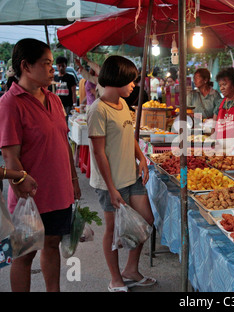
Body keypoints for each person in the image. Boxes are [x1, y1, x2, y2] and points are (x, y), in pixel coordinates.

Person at [0, 38, 81, 292]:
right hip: (30, 195)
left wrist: (74, 179)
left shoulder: (54, 99)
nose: (51, 69)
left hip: (59, 192)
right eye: (45, 63)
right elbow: (10, 155)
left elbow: (63, 141)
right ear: (26, 66)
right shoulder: (10, 103)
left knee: (52, 243)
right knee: (24, 255)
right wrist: (20, 182)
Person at [87, 55, 155, 292]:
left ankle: (131, 270)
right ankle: (115, 278)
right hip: (110, 183)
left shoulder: (124, 104)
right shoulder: (98, 110)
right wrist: (111, 188)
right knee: (113, 230)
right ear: (117, 80)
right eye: (130, 81)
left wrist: (141, 158)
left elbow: (129, 136)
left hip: (131, 175)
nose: (134, 85)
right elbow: (98, 153)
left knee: (146, 220)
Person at [53, 56, 77, 121]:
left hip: (68, 105)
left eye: (63, 66)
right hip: (57, 105)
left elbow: (73, 92)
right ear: (57, 66)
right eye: (59, 66)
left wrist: (74, 104)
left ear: (66, 66)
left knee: (66, 121)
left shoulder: (70, 77)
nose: (61, 68)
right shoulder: (54, 78)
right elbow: (52, 92)